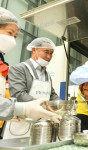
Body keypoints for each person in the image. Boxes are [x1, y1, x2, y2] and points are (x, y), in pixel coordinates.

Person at [0, 7, 61, 139]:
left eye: (51, 53)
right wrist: (42, 107)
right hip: (20, 124)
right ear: (34, 50)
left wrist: (60, 105)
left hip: (42, 124)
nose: (49, 57)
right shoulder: (19, 69)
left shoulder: (46, 74)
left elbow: (52, 94)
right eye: (46, 52)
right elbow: (19, 94)